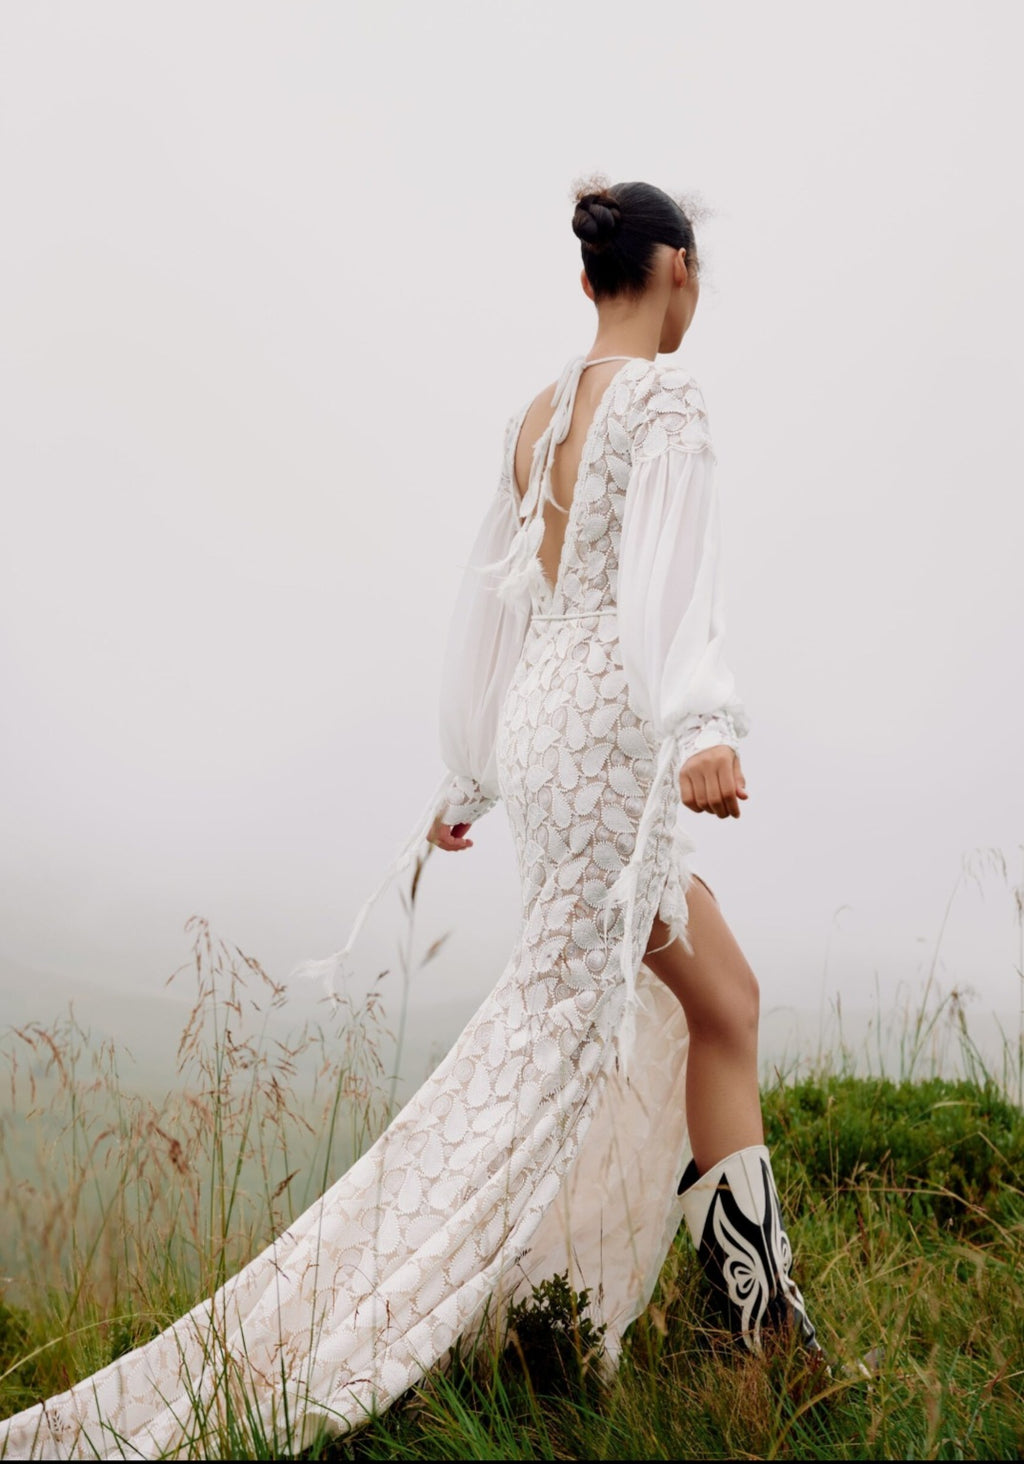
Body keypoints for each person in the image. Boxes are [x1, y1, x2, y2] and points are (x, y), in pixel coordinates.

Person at [0, 180, 819, 1462]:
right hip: (615, 728)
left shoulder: (536, 415)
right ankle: (685, 1329)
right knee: (555, 1041)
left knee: (715, 1001)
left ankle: (754, 1328)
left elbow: (492, 607)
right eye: (696, 274)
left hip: (550, 733)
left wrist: (468, 772)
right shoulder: (663, 400)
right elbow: (668, 575)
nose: (696, 298)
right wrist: (704, 723)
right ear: (670, 267)